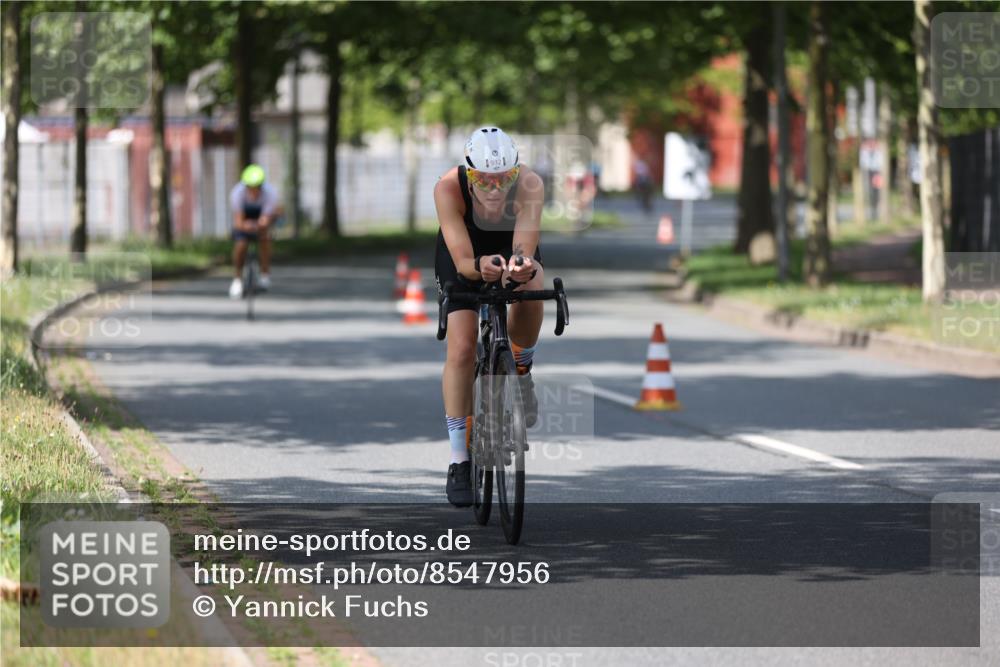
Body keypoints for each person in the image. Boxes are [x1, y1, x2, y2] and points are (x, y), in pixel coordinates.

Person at [433, 126, 544, 507]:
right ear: (469, 172)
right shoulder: (448, 188)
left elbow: (525, 249)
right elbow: (464, 262)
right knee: (462, 349)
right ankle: (459, 459)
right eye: (484, 179)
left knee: (534, 282)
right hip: (464, 251)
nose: (495, 189)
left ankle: (521, 367)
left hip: (506, 244)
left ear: (515, 173)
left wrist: (519, 267)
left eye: (504, 179)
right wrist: (480, 267)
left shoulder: (529, 184)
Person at [228, 164, 282, 298]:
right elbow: (238, 221)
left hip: (261, 215)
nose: (254, 190)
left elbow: (266, 218)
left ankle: (264, 274)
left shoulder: (270, 194)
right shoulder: (237, 193)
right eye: (250, 187)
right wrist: (245, 226)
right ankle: (237, 279)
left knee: (265, 240)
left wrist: (262, 224)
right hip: (244, 216)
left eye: (257, 187)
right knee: (241, 244)